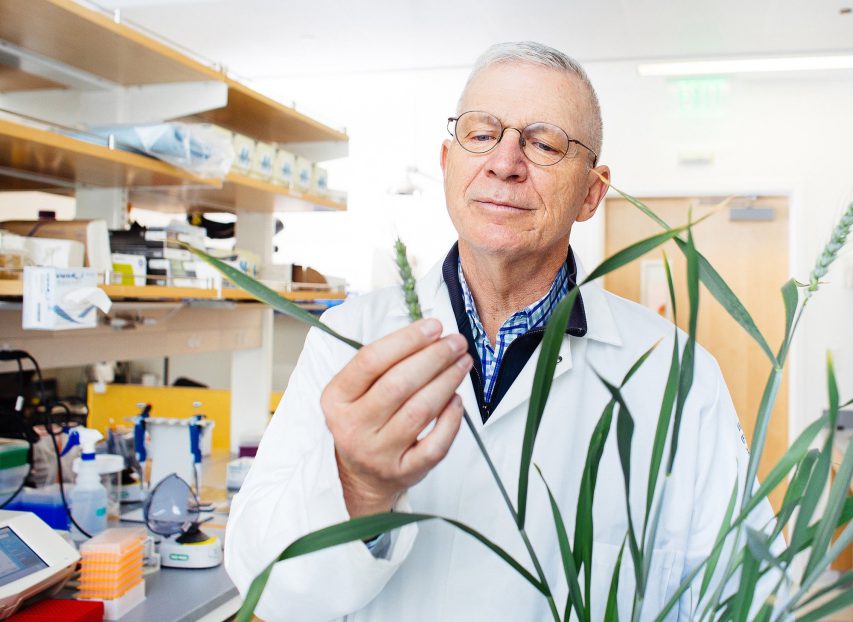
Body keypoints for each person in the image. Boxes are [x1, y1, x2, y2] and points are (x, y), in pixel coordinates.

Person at [225, 41, 773, 621]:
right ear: (447, 163)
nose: (505, 162)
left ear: (591, 192)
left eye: (543, 143)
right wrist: (356, 486)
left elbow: (744, 593)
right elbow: (268, 586)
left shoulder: (675, 372)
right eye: (482, 133)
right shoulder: (347, 338)